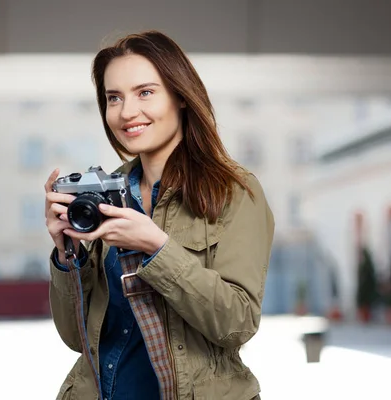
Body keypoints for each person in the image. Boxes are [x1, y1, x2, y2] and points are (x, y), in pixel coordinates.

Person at [44, 30, 274, 400]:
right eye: (113, 97)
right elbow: (77, 339)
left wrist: (156, 247)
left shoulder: (234, 191)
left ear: (181, 96)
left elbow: (237, 324)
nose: (127, 112)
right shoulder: (105, 192)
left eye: (145, 92)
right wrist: (66, 253)